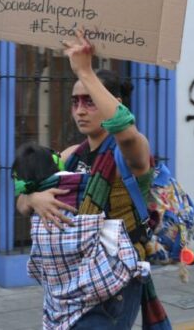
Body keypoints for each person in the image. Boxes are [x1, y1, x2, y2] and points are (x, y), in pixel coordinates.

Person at [16, 29, 170, 330]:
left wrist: (85, 71)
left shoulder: (132, 151)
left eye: (89, 101)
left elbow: (124, 128)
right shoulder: (71, 155)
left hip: (112, 285)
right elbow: (23, 199)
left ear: (115, 102)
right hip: (70, 284)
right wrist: (34, 198)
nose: (80, 110)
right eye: (75, 102)